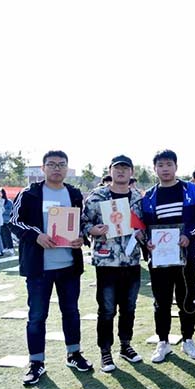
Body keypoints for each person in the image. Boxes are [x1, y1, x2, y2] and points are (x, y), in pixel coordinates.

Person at [9, 150, 92, 385]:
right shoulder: (29, 193)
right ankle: (36, 362)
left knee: (71, 312)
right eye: (52, 164)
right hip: (39, 268)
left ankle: (74, 354)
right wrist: (36, 236)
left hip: (68, 266)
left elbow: (80, 223)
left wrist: (81, 238)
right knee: (37, 316)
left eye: (61, 164)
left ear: (67, 168)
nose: (57, 168)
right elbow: (13, 222)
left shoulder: (74, 193)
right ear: (43, 168)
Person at [141, 150, 195, 362]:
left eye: (169, 164)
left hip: (185, 256)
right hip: (159, 259)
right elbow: (145, 226)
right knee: (161, 301)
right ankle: (163, 342)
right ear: (155, 169)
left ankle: (188, 340)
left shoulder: (190, 189)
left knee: (187, 298)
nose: (165, 169)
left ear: (176, 166)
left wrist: (189, 235)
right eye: (160, 165)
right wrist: (147, 241)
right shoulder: (149, 195)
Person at [82, 155, 145, 372]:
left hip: (131, 261)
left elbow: (144, 226)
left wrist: (142, 235)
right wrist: (92, 230)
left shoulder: (137, 198)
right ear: (110, 170)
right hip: (106, 261)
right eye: (117, 168)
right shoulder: (97, 196)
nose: (121, 171)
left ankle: (125, 345)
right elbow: (83, 222)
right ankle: (105, 351)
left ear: (131, 172)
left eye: (125, 168)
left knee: (129, 307)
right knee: (107, 309)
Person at [0, 188, 15, 255]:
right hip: (0, 221)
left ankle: (11, 248)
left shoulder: (9, 202)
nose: (0, 194)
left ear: (3, 193)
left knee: (7, 235)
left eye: (1, 193)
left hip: (7, 221)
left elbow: (11, 211)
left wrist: (2, 211)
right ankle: (5, 247)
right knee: (2, 235)